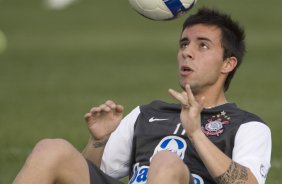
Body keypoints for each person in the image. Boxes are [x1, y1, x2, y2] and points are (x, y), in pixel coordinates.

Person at [13, 7, 271, 184]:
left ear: (228, 63)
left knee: (166, 162)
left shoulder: (247, 126)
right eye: (184, 44)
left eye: (202, 45)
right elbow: (87, 175)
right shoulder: (146, 114)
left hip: (174, 169)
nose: (187, 52)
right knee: (52, 149)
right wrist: (98, 142)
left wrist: (196, 133)